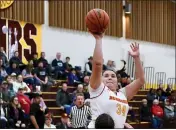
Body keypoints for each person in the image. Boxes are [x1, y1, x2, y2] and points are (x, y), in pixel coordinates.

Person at [88, 32, 145, 128]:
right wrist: (98, 40)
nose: (110, 77)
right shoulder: (98, 89)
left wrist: (136, 58)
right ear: (101, 79)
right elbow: (97, 64)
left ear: (117, 81)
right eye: (106, 75)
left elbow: (141, 80)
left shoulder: (123, 94)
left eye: (113, 76)